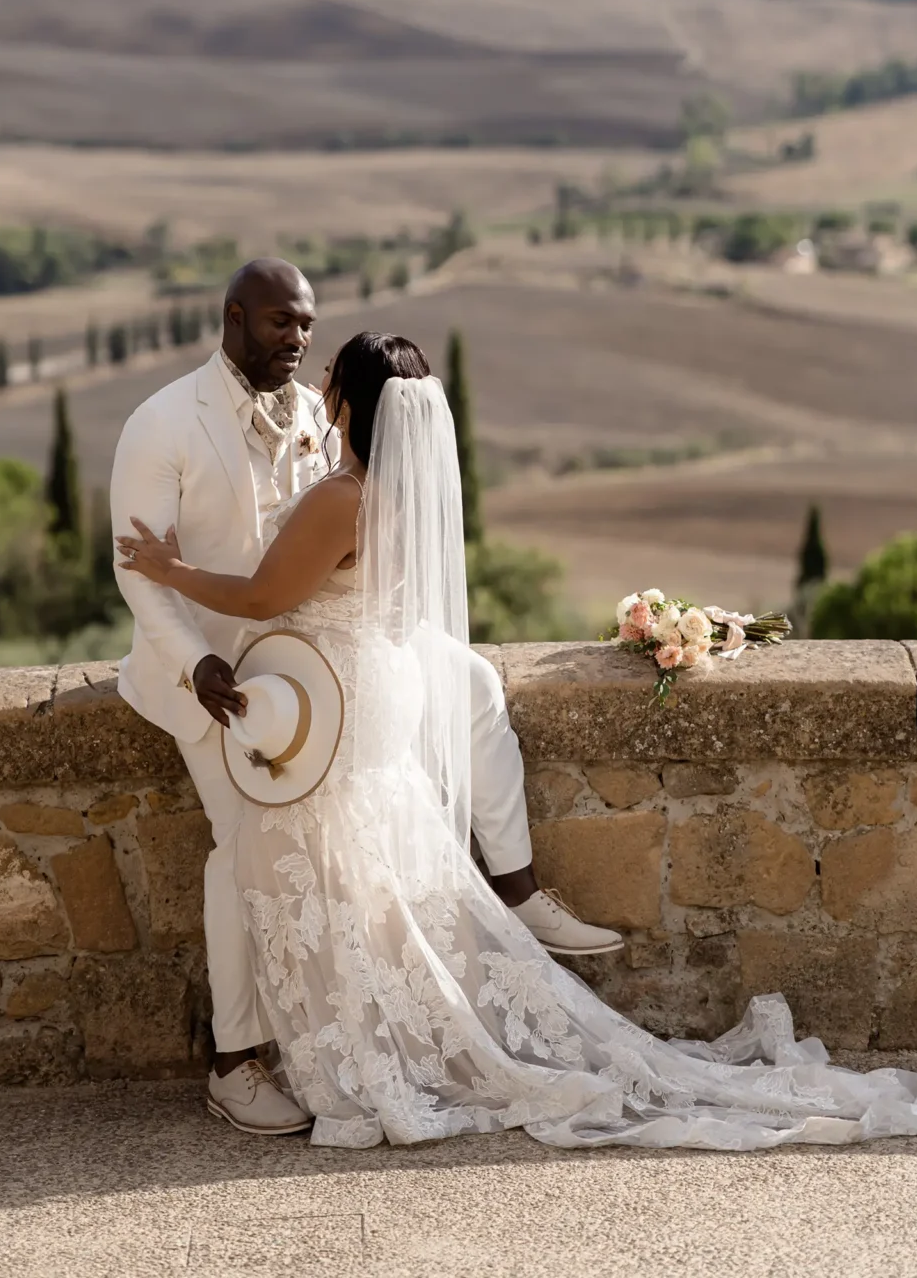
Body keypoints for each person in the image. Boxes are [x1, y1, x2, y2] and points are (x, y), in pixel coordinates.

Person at [118, 331, 917, 1150]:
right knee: (369, 860)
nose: (318, 375)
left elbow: (264, 598)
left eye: (333, 372)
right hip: (374, 685)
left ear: (352, 402)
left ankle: (371, 1047)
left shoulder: (343, 498)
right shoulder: (402, 493)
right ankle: (409, 1018)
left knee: (326, 857)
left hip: (329, 703)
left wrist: (172, 569)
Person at [109, 260, 618, 1137]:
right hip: (225, 677)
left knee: (475, 686)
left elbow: (321, 546)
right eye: (281, 325)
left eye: (308, 328)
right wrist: (195, 664)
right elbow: (140, 571)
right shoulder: (161, 423)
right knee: (242, 853)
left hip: (322, 651)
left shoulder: (322, 413)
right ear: (234, 318)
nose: (299, 344)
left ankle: (516, 887)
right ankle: (235, 1063)